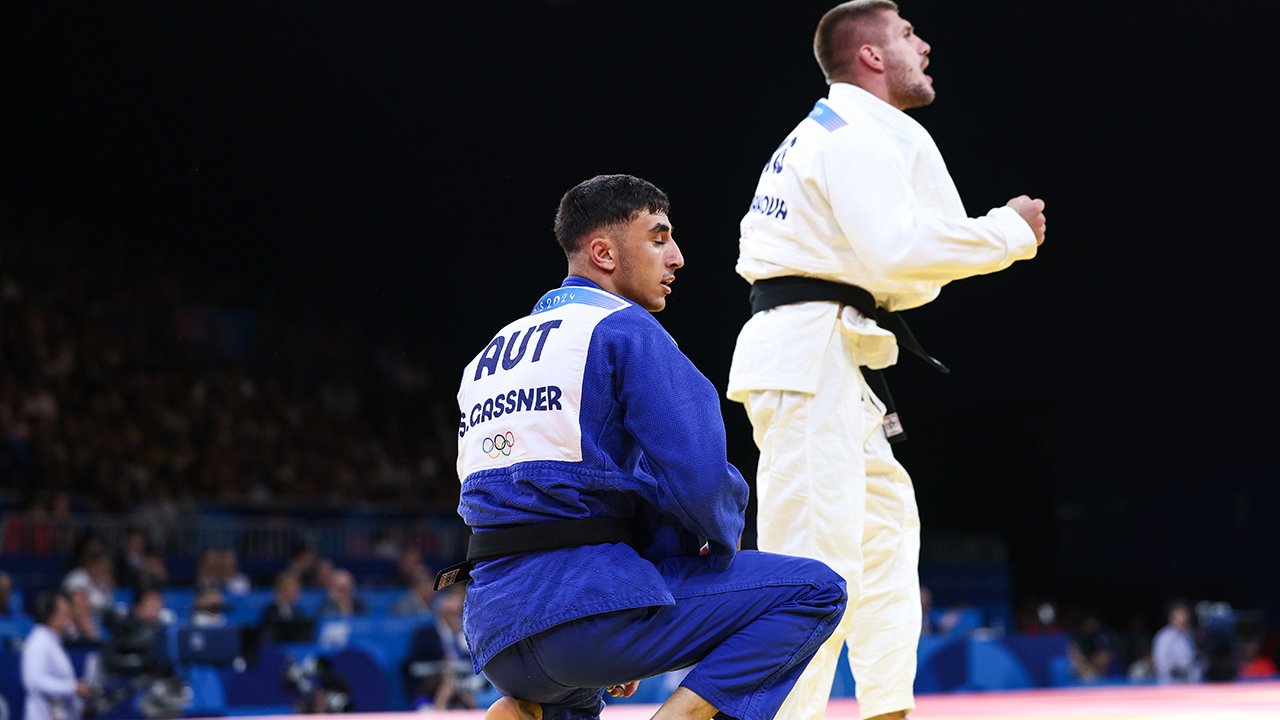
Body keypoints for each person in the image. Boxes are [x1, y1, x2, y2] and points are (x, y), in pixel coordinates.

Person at [724, 2, 1047, 718]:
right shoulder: (848, 138)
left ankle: (887, 708)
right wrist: (1005, 232)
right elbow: (899, 253)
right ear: (870, 55)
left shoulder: (843, 131)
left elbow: (900, 272)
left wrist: (978, 240)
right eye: (907, 34)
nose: (925, 44)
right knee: (811, 565)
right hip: (809, 358)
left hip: (834, 357)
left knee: (885, 543)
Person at [451, 173, 847, 720]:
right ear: (603, 253)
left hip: (495, 633)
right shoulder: (624, 330)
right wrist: (714, 548)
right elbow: (701, 484)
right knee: (813, 590)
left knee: (570, 697)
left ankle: (525, 710)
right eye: (658, 238)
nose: (678, 257)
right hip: (586, 616)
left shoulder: (489, 357)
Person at [21, 589, 93, 720]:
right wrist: (72, 688)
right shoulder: (39, 642)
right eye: (64, 613)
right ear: (52, 615)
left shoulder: (53, 640)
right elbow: (35, 681)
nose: (69, 617)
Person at [1151, 598, 1202, 684]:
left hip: (1190, 684)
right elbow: (1161, 664)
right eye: (1180, 614)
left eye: (1185, 614)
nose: (1183, 617)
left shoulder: (1188, 636)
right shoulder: (1164, 636)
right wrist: (1178, 671)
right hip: (1171, 684)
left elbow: (1194, 660)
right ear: (1172, 616)